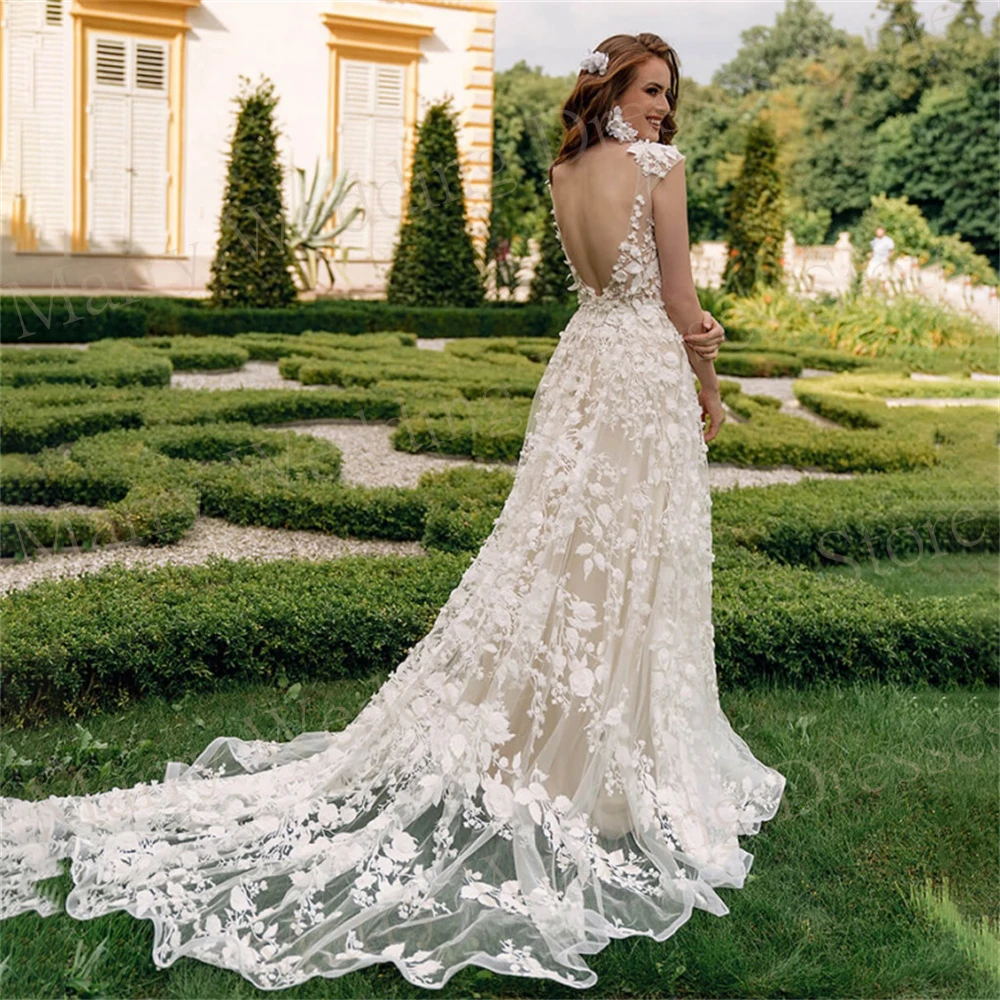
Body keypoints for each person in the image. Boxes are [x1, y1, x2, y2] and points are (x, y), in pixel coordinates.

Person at [0, 32, 786, 992]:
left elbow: (602, 288)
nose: (666, 108)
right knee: (620, 565)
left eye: (670, 93)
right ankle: (609, 779)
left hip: (583, 372)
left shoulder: (564, 170)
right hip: (638, 384)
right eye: (653, 88)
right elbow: (677, 302)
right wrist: (709, 378)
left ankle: (571, 757)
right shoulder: (662, 169)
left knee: (563, 562)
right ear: (614, 86)